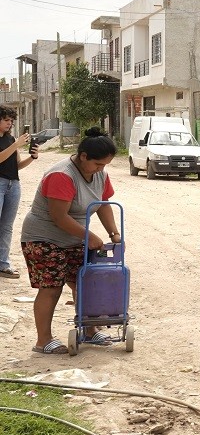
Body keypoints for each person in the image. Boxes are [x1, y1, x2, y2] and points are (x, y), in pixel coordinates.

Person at [21, 127, 120, 355]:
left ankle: (89, 330)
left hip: (73, 236)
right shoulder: (61, 175)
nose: (101, 169)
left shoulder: (100, 175)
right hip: (43, 237)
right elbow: (59, 217)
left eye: (105, 165)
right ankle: (43, 340)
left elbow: (102, 204)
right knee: (51, 287)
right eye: (98, 164)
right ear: (83, 156)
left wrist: (114, 233)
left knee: (85, 282)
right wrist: (90, 236)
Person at [0, 107, 38, 279]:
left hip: (13, 184)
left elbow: (17, 165)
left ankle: (3, 264)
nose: (10, 123)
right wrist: (16, 145)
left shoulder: (10, 139)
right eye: (6, 120)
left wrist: (32, 157)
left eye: (11, 121)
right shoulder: (12, 142)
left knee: (6, 226)